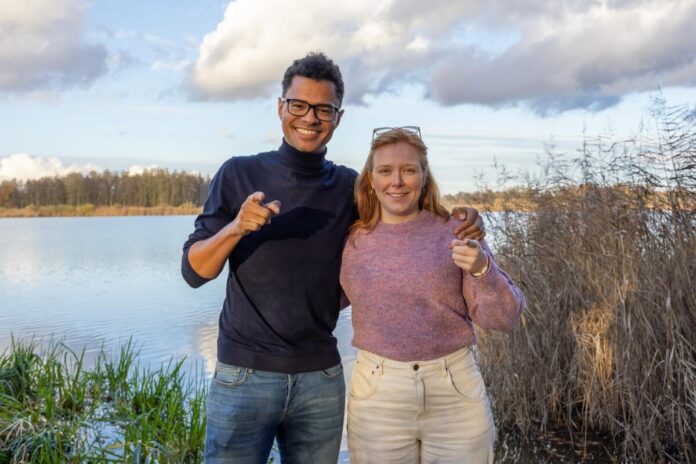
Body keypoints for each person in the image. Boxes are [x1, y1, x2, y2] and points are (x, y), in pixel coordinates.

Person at [181, 53, 484, 464]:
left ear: (338, 117)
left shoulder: (349, 187)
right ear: (280, 107)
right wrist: (236, 227)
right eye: (298, 105)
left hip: (321, 378)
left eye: (323, 108)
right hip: (244, 375)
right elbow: (194, 272)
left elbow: (404, 219)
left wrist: (460, 220)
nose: (310, 117)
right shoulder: (238, 174)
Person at [340, 127, 525, 464]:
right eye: (385, 171)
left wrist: (483, 269)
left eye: (408, 170)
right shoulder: (352, 241)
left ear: (424, 177)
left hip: (454, 389)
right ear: (370, 179)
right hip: (378, 393)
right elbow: (317, 303)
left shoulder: (456, 232)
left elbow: (503, 318)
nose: (397, 181)